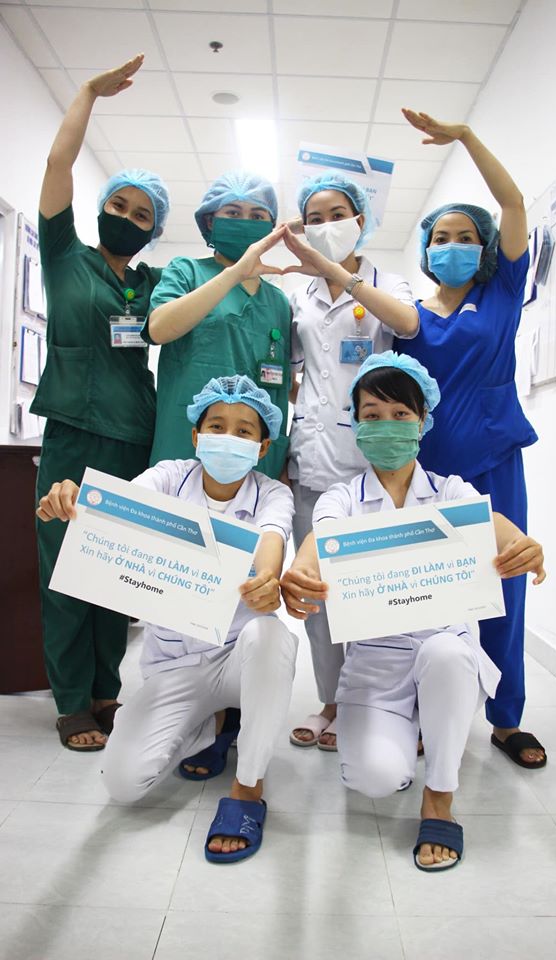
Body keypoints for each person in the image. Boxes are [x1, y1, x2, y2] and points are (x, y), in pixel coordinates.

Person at [281, 352, 545, 870]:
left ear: (423, 422)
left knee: (446, 653)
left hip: (444, 657)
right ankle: (415, 730)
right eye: (372, 414)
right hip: (376, 668)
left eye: (401, 414)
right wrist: (302, 572)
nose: (387, 425)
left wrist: (524, 545)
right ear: (355, 424)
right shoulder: (341, 498)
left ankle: (440, 796)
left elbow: (492, 525)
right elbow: (320, 539)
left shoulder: (449, 490)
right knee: (375, 779)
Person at [37, 375, 298, 863]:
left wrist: (266, 580)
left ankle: (248, 788)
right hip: (176, 663)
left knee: (271, 635)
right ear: (196, 436)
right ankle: (217, 722)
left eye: (244, 431)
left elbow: (272, 540)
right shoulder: (168, 478)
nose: (228, 437)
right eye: (216, 426)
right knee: (123, 783)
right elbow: (119, 509)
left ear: (263, 447)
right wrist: (77, 499)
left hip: (239, 658)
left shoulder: (271, 494)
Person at [396, 109, 544, 769]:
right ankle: (422, 710)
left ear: (483, 248)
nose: (452, 245)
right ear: (426, 249)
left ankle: (506, 719)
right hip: (426, 475)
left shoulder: (502, 290)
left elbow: (513, 203)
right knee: (429, 594)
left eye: (465, 236)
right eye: (441, 236)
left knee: (504, 590)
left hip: (494, 463)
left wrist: (464, 138)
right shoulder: (407, 316)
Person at [31, 54, 170, 752]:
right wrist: (87, 92)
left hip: (134, 438)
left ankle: (106, 691)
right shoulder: (65, 256)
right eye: (119, 206)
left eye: (142, 214)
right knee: (64, 571)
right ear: (100, 208)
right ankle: (70, 702)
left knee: (117, 572)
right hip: (71, 432)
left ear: (153, 229)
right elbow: (58, 165)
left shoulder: (153, 283)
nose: (127, 218)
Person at [281, 172, 420, 750]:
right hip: (312, 463)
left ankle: (386, 703)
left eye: (336, 214)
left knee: (380, 592)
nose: (325, 226)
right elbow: (294, 372)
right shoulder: (299, 296)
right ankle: (332, 703)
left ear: (360, 220)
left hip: (374, 463)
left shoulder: (390, 282)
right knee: (320, 600)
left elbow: (407, 324)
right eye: (313, 218)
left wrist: (336, 272)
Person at [143, 172, 291, 478]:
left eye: (257, 216)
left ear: (270, 229)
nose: (245, 221)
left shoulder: (277, 301)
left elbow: (280, 387)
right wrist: (234, 274)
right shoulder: (186, 272)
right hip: (185, 446)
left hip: (253, 456)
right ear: (210, 221)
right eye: (233, 213)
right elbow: (158, 329)